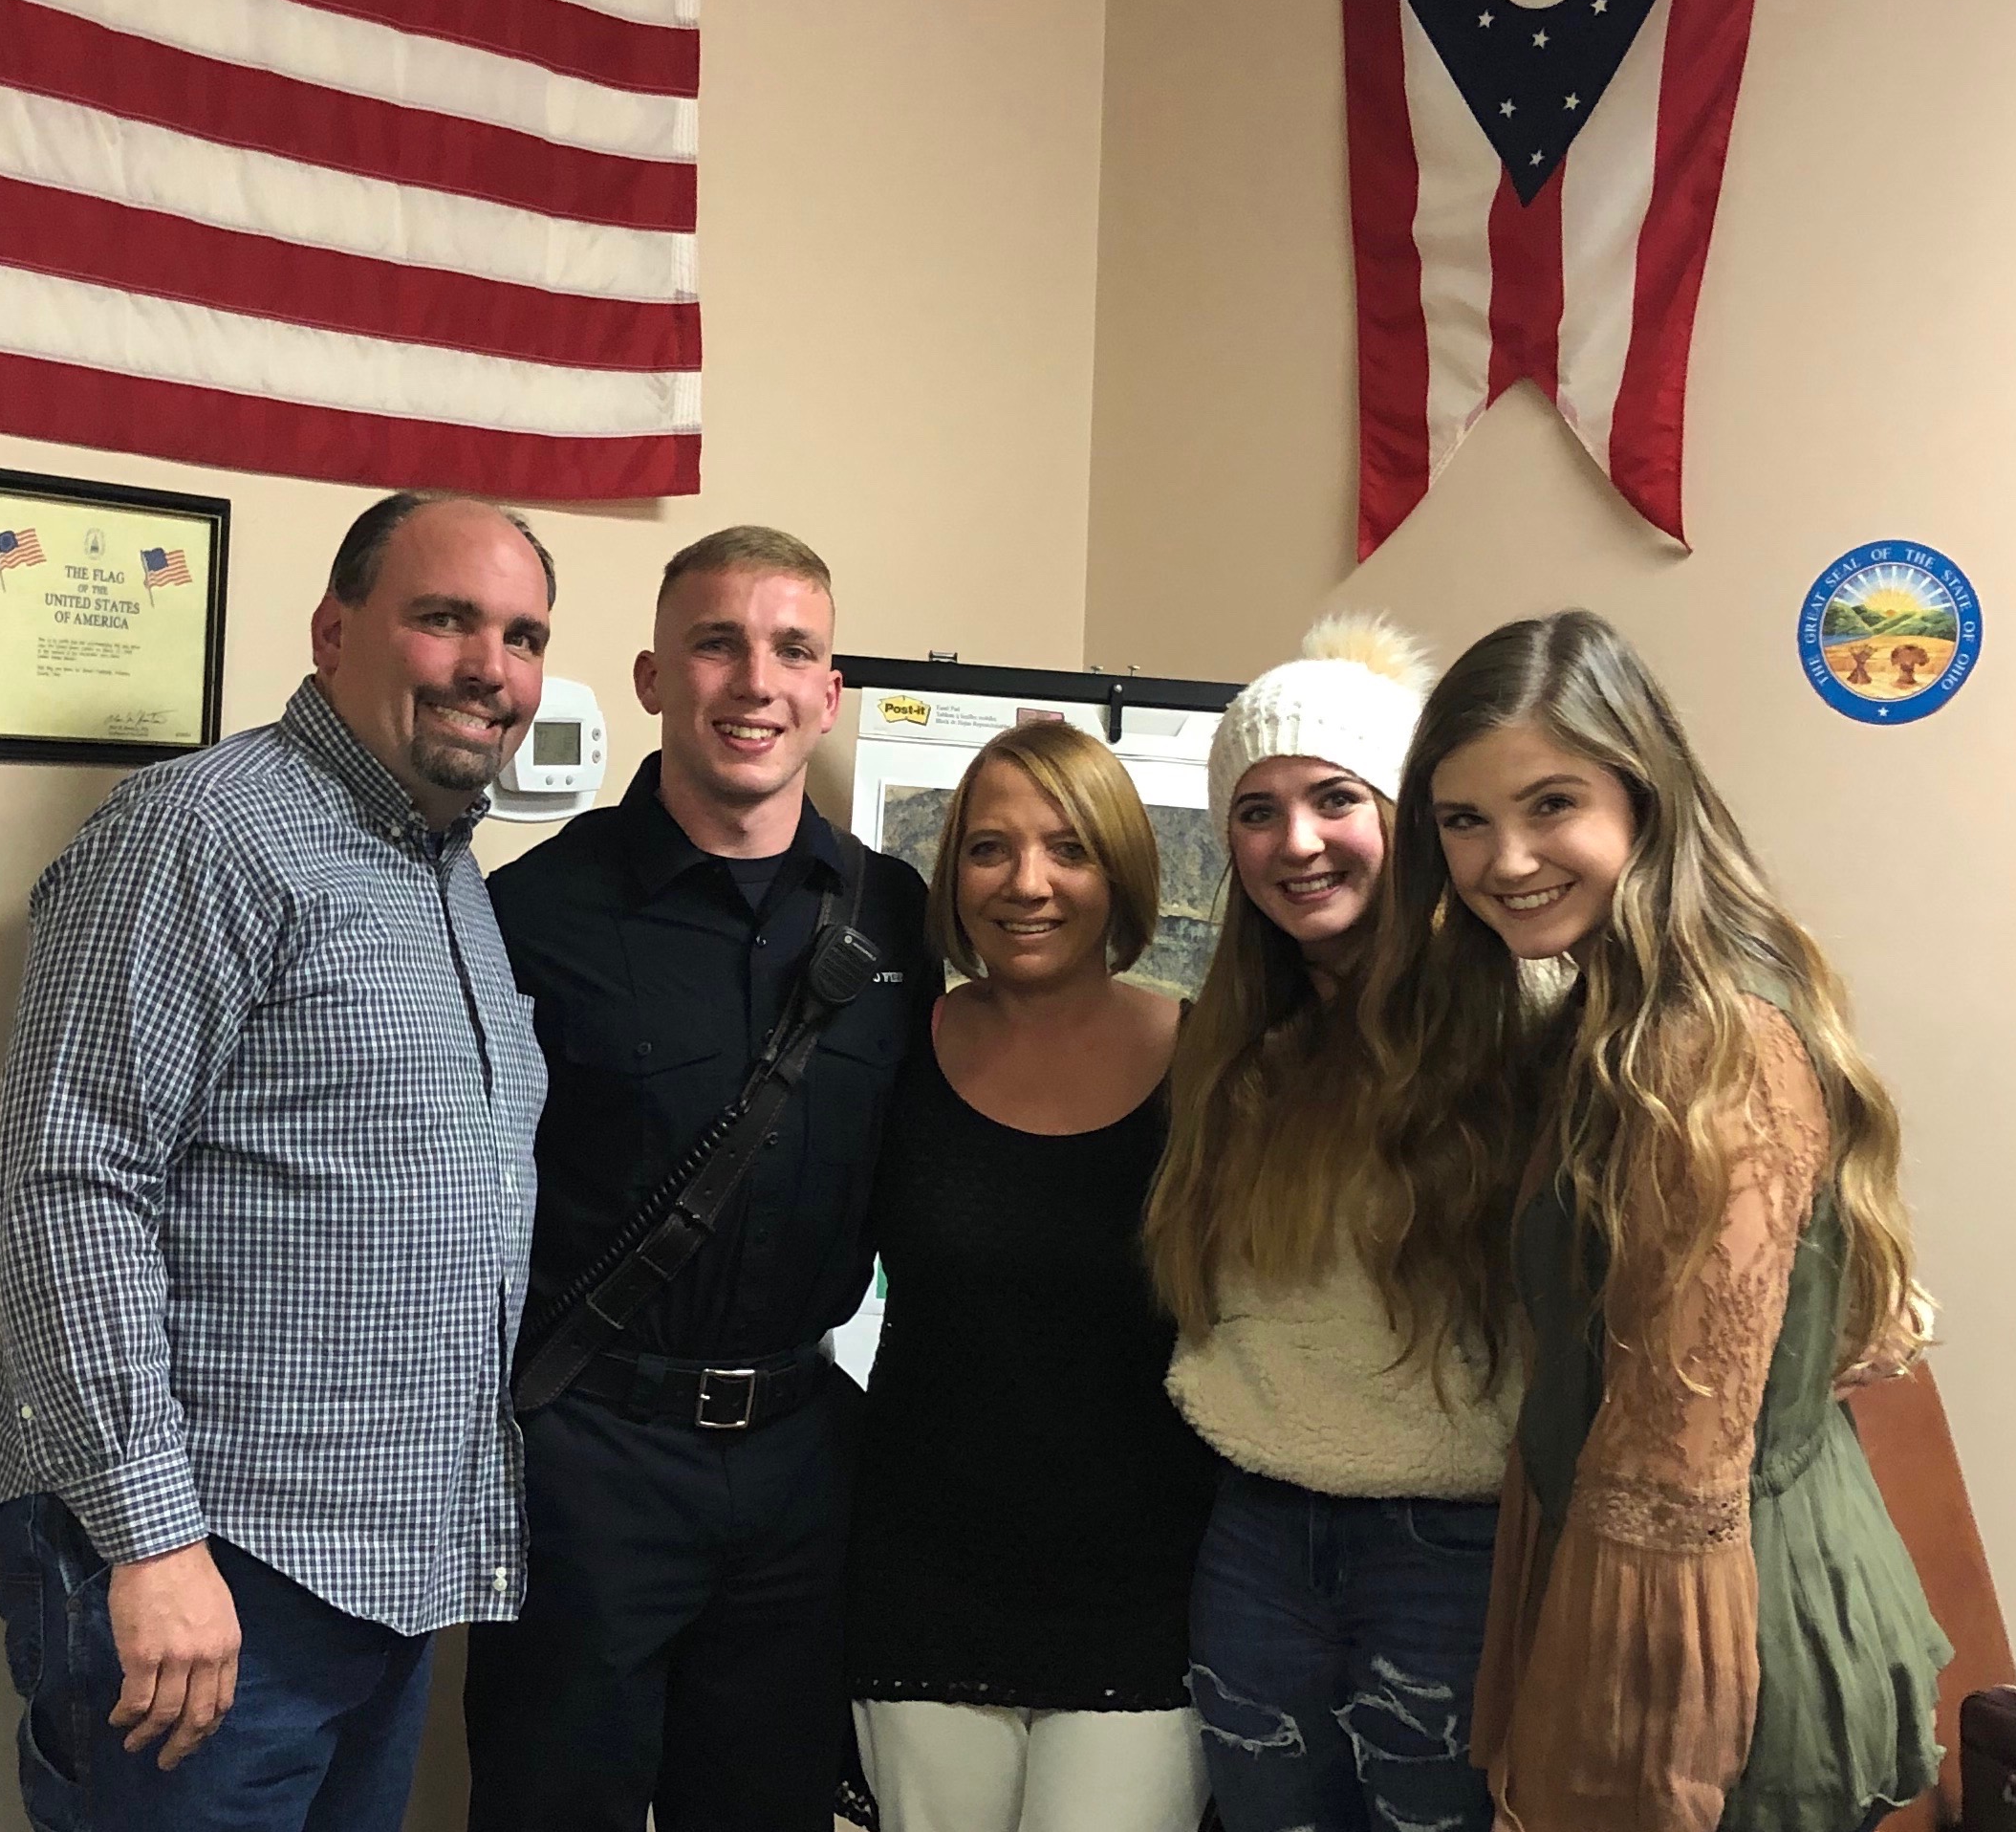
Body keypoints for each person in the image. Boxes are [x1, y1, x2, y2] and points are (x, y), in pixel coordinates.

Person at [0, 491, 557, 1832]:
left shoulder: (446, 873)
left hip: (372, 1570)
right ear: (334, 632)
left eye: (523, 635)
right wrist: (153, 1540)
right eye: (446, 618)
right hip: (209, 1563)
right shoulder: (203, 830)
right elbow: (66, 1184)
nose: (491, 666)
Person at [1394, 609, 1946, 1832]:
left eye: (1551, 805)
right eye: (1463, 820)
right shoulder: (1617, 1017)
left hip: (1711, 1658)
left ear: (1645, 799)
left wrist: (1604, 1776)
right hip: (1698, 1610)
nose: (1505, 860)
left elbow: (1670, 1481)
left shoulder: (1705, 1047)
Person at [465, 525, 929, 1832]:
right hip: (589, 1458)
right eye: (717, 644)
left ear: (829, 691)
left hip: (802, 1464)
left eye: (792, 649)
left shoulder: (898, 917)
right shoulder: (529, 914)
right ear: (653, 676)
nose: (755, 681)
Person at [1142, 618, 1528, 1832]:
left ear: (1405, 817)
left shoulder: (1524, 1022)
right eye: (1257, 812)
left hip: (1454, 1544)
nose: (1296, 842)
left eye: (1335, 799)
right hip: (1257, 1534)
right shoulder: (1234, 1047)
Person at [844, 720, 1216, 1832]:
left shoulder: (1212, 1065)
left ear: (1121, 870)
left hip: (1146, 1593)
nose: (1026, 883)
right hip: (922, 1579)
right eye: (989, 849)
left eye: (1068, 849)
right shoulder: (893, 1046)